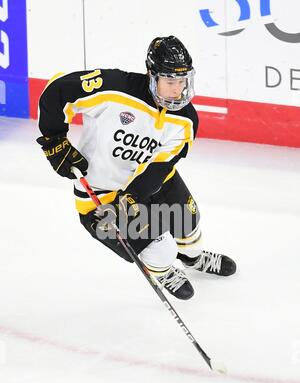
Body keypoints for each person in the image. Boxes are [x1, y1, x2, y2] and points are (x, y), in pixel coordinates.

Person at [37, 35, 236, 301]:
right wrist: (54, 140)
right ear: (151, 75)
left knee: (189, 221)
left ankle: (193, 258)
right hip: (101, 196)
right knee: (161, 250)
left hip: (151, 183)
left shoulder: (186, 120)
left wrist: (135, 194)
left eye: (182, 81)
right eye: (170, 81)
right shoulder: (115, 88)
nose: (178, 90)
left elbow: (163, 164)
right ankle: (164, 270)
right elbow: (57, 89)